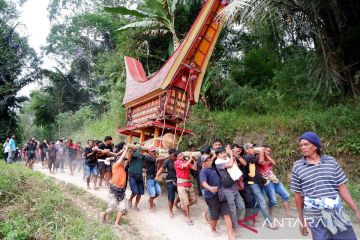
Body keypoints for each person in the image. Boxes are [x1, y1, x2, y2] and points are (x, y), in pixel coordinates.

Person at [291, 132, 360, 239]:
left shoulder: (331, 161)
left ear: (315, 146)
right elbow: (298, 195)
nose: (302, 148)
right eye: (301, 145)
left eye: (306, 144)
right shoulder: (298, 166)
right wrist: (301, 220)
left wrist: (356, 211)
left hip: (337, 213)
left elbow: (341, 187)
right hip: (315, 216)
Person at [199, 154, 234, 240]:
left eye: (209, 160)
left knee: (227, 214)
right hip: (211, 196)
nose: (209, 161)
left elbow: (218, 160)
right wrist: (210, 188)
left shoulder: (213, 169)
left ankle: (230, 235)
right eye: (206, 161)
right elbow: (203, 183)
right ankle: (213, 229)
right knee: (215, 216)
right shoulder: (203, 171)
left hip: (221, 194)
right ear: (203, 163)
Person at [243, 143, 276, 229]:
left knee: (260, 201)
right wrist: (261, 151)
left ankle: (250, 218)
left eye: (253, 147)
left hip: (258, 182)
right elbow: (261, 161)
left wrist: (262, 152)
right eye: (250, 148)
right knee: (262, 202)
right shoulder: (248, 157)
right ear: (246, 150)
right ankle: (269, 222)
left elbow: (264, 162)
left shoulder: (253, 157)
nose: (253, 149)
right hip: (252, 183)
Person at [214, 146, 245, 230]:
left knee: (241, 206)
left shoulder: (227, 159)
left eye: (224, 152)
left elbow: (235, 167)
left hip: (234, 186)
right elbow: (230, 165)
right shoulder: (218, 162)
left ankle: (234, 221)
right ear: (217, 155)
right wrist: (231, 155)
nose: (223, 154)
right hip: (227, 189)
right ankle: (234, 226)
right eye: (221, 153)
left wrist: (240, 180)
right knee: (232, 208)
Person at [259, 144, 293, 218]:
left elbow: (274, 163)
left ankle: (288, 214)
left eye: (269, 151)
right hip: (268, 182)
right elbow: (261, 162)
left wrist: (267, 155)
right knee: (273, 200)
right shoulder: (258, 158)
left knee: (286, 195)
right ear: (263, 150)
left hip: (275, 180)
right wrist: (262, 153)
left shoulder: (268, 158)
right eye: (268, 151)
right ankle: (269, 215)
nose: (269, 152)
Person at [100, 145, 129, 228]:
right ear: (119, 161)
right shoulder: (115, 166)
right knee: (111, 208)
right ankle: (103, 213)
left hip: (121, 191)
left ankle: (116, 223)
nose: (124, 162)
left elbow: (126, 159)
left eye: (124, 161)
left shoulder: (123, 169)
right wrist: (125, 149)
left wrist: (127, 151)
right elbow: (120, 159)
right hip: (114, 190)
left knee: (122, 208)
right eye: (123, 161)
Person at [174, 150, 197, 226]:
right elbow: (185, 166)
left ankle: (182, 206)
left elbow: (195, 168)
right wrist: (190, 158)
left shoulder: (185, 161)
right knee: (186, 202)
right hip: (181, 184)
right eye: (179, 156)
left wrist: (193, 160)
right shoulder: (176, 162)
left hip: (188, 183)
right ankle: (188, 217)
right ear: (176, 157)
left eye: (181, 155)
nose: (181, 156)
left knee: (194, 200)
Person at [156, 148, 180, 217]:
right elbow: (161, 169)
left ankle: (176, 203)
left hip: (179, 180)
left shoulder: (179, 159)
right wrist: (157, 175)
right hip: (170, 181)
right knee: (171, 197)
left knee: (182, 194)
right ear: (169, 155)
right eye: (172, 156)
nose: (174, 157)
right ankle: (170, 211)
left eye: (175, 156)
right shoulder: (167, 161)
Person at [143, 146, 167, 212]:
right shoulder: (147, 157)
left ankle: (150, 200)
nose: (153, 152)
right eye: (152, 151)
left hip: (154, 177)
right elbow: (157, 160)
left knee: (159, 192)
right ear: (149, 151)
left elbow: (158, 162)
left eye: (154, 151)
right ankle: (151, 207)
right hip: (149, 178)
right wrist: (167, 156)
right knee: (153, 193)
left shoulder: (154, 157)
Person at [127, 145, 144, 211]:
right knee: (135, 191)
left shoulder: (142, 156)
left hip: (140, 176)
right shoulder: (132, 154)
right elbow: (129, 157)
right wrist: (139, 148)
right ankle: (130, 199)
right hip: (132, 176)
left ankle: (135, 206)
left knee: (140, 193)